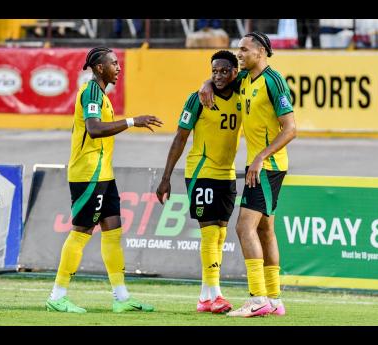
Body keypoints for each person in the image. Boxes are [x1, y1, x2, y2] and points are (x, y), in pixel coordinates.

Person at [45, 47, 163, 313]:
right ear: (100, 68)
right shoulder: (91, 93)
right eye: (113, 63)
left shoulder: (102, 95)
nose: (118, 67)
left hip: (104, 174)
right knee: (82, 232)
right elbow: (94, 129)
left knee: (113, 232)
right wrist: (133, 121)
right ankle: (57, 295)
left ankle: (121, 298)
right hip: (88, 174)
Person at [199, 32, 296, 317]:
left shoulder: (273, 81)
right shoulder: (244, 79)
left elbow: (291, 128)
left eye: (244, 49)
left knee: (244, 228)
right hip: (261, 165)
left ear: (261, 51)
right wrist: (206, 82)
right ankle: (275, 299)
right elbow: (222, 78)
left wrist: (260, 157)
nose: (238, 54)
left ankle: (257, 298)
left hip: (267, 166)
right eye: (238, 50)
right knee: (265, 230)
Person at [156, 50, 241, 314]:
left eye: (224, 71)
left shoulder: (242, 94)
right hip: (201, 171)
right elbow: (180, 138)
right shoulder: (198, 99)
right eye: (214, 71)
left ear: (235, 73)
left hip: (226, 172)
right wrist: (166, 177)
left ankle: (205, 297)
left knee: (222, 234)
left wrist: (208, 82)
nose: (218, 76)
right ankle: (215, 294)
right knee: (210, 231)